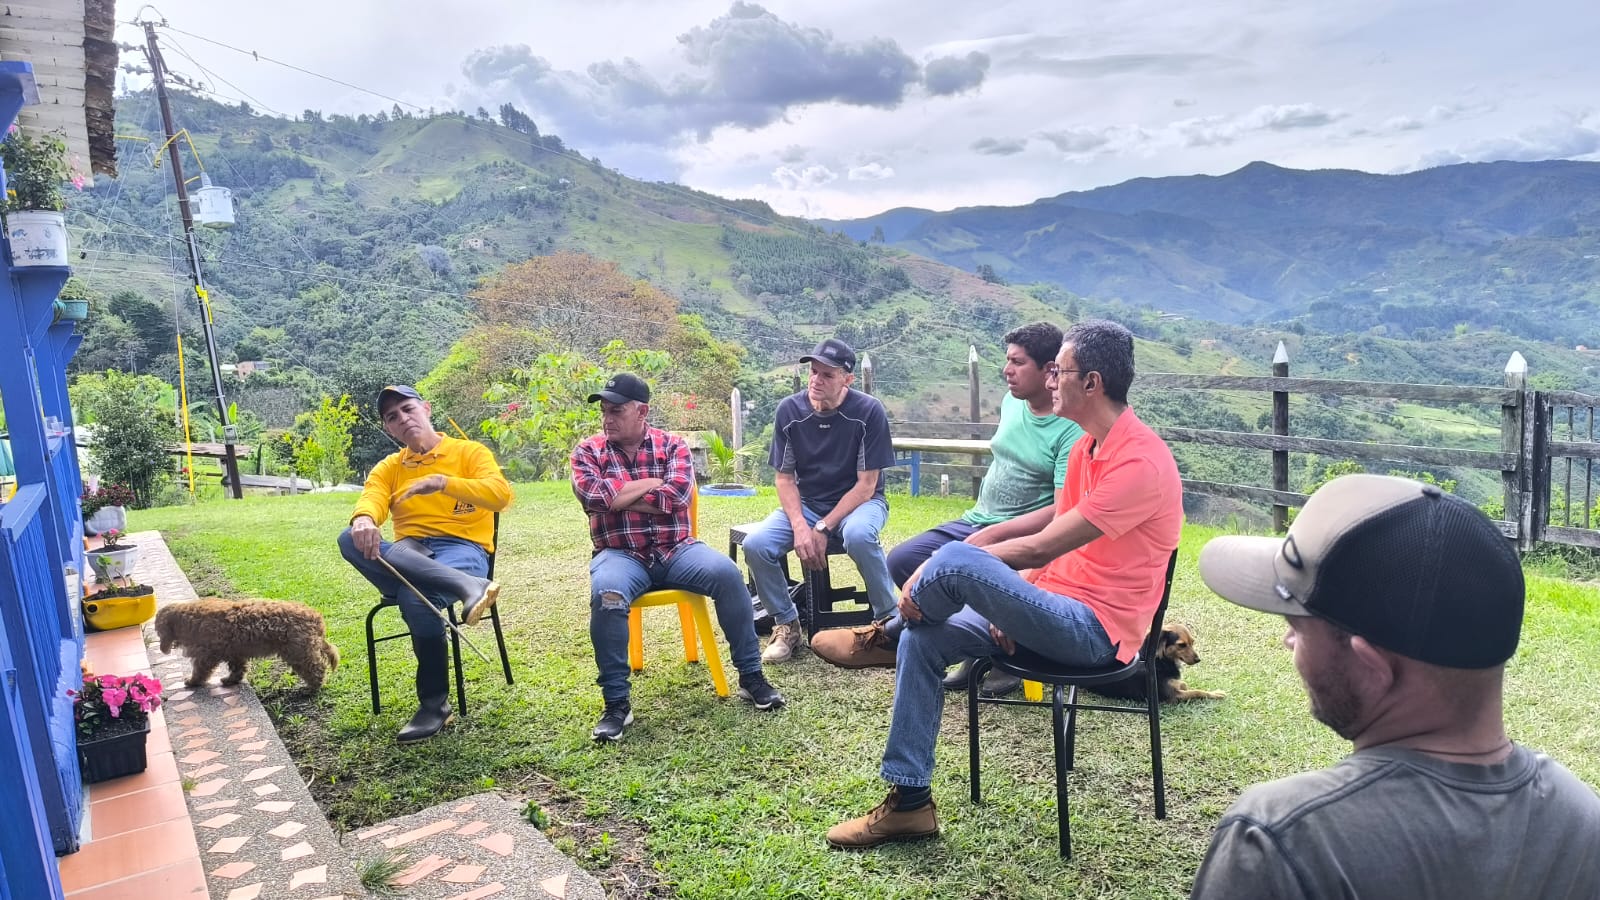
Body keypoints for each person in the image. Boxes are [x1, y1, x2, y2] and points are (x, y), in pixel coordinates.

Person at [820, 320, 1183, 849]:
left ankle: (886, 634)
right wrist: (1013, 607)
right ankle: (910, 803)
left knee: (956, 559)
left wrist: (959, 564)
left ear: (1092, 383)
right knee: (925, 639)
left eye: (1060, 370)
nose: (1051, 379)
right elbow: (1053, 547)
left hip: (1096, 633)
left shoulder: (1139, 462)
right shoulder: (1086, 448)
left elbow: (1040, 547)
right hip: (1054, 608)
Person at [1189, 473, 1600, 899]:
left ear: (1371, 667)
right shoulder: (1583, 819)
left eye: (1297, 626)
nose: (1287, 640)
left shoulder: (1282, 840)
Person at [572, 373, 784, 742]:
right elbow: (593, 498)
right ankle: (616, 703)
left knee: (728, 575)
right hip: (619, 554)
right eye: (604, 411)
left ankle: (751, 677)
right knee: (607, 595)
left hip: (677, 549)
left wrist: (619, 497)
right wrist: (648, 485)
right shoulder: (588, 451)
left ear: (642, 412)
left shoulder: (673, 446)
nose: (607, 419)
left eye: (616, 411)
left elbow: (676, 498)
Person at [875, 322, 1082, 697]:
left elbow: (1061, 509)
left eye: (1018, 362)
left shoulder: (1069, 427)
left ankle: (1001, 653)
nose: (1007, 370)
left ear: (1050, 370)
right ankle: (976, 643)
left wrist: (994, 534)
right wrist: (983, 529)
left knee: (968, 573)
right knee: (904, 560)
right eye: (1007, 360)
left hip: (1022, 533)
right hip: (978, 518)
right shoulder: (1012, 402)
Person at [337, 385, 513, 743]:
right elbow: (372, 498)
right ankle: (468, 588)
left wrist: (443, 483)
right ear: (389, 428)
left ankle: (434, 705)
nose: (403, 418)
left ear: (426, 408)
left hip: (462, 548)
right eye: (392, 417)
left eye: (407, 409)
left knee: (415, 598)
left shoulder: (469, 452)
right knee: (348, 537)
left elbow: (500, 496)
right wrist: (365, 519)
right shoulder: (390, 467)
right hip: (410, 552)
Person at [741, 338, 897, 663]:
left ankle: (890, 624)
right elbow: (784, 478)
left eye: (827, 374)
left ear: (847, 379)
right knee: (756, 545)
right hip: (809, 502)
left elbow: (867, 486)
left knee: (859, 535)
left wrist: (824, 527)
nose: (816, 380)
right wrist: (801, 525)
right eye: (814, 372)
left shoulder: (868, 411)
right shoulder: (790, 411)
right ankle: (787, 624)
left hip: (861, 504)